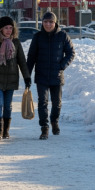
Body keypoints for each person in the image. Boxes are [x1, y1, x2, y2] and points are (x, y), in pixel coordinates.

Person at [26, 11, 75, 140]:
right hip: (41, 75)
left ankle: (54, 121)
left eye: (51, 22)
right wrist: (27, 75)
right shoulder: (37, 37)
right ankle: (44, 128)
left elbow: (71, 53)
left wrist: (62, 65)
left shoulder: (62, 36)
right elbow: (31, 57)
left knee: (56, 103)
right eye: (46, 22)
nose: (48, 24)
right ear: (42, 23)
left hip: (57, 75)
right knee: (42, 102)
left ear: (55, 23)